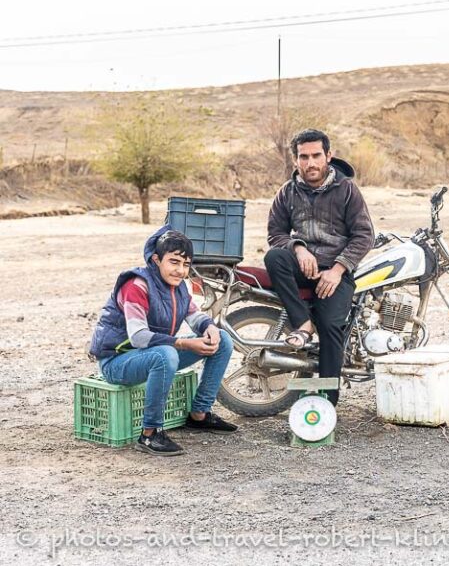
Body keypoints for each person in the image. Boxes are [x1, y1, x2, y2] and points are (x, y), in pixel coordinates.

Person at [89, 226, 238, 457]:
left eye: (186, 264)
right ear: (156, 260)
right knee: (165, 353)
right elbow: (138, 337)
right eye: (174, 262)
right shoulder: (137, 285)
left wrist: (209, 327)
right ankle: (150, 434)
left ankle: (199, 414)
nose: (180, 270)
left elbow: (193, 314)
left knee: (224, 340)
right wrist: (184, 343)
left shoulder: (178, 287)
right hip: (118, 362)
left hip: (152, 356)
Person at [265, 128, 374, 405]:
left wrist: (338, 269)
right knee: (274, 258)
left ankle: (327, 401)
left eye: (316, 155)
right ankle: (302, 324)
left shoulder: (347, 189)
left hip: (336, 273)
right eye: (304, 157)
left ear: (329, 155)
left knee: (330, 326)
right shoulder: (287, 192)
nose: (310, 163)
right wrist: (298, 247)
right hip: (303, 268)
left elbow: (364, 235)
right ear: (295, 160)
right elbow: (275, 233)